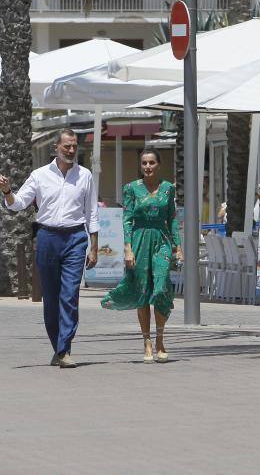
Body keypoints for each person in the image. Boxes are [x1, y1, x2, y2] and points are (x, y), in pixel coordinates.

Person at [0, 129, 99, 369]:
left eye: (74, 146)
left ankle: (64, 349)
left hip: (75, 237)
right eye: (67, 146)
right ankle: (59, 348)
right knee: (51, 299)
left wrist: (94, 247)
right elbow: (18, 203)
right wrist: (7, 191)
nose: (71, 150)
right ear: (56, 148)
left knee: (70, 295)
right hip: (47, 237)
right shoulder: (39, 175)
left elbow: (92, 213)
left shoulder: (85, 175)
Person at [100, 149, 182, 364]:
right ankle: (147, 342)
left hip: (161, 240)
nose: (148, 167)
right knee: (143, 291)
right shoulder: (131, 189)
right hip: (138, 241)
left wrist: (178, 245)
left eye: (152, 162)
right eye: (144, 163)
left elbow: (172, 218)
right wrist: (127, 248)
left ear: (159, 164)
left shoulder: (168, 189)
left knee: (162, 285)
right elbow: (126, 219)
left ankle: (161, 339)